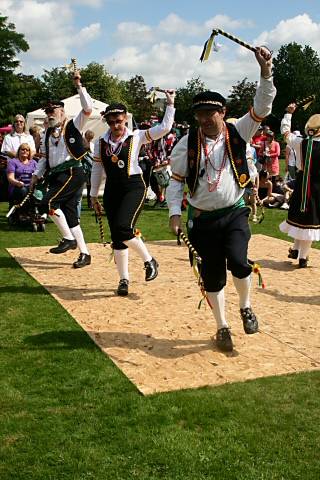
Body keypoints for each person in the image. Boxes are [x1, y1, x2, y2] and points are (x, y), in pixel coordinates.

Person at [166, 46, 276, 352]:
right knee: (212, 277)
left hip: (234, 212)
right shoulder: (186, 144)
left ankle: (246, 306)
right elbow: (175, 182)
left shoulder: (238, 131)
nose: (203, 118)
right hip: (201, 219)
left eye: (209, 113)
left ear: (222, 112)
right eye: (199, 113)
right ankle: (222, 326)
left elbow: (263, 105)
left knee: (240, 262)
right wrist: (175, 213)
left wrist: (265, 72)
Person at [90, 90, 175, 296]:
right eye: (111, 122)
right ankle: (123, 279)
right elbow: (97, 169)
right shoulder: (101, 142)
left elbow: (164, 128)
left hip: (133, 187)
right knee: (117, 237)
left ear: (125, 119)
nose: (115, 126)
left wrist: (170, 104)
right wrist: (93, 195)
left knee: (123, 228)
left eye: (118, 121)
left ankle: (149, 260)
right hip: (112, 190)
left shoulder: (136, 136)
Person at [30, 70, 92, 268]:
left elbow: (88, 108)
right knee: (71, 216)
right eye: (47, 112)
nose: (50, 114)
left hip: (73, 172)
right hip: (58, 175)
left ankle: (68, 239)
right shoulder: (48, 132)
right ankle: (85, 253)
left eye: (53, 111)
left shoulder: (74, 123)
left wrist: (78, 85)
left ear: (62, 111)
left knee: (48, 203)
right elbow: (44, 157)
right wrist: (36, 175)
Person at [280, 104, 320, 267]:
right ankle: (303, 257)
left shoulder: (299, 142)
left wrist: (288, 114)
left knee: (300, 217)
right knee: (310, 221)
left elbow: (285, 133)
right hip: (317, 186)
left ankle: (296, 249)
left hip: (302, 183)